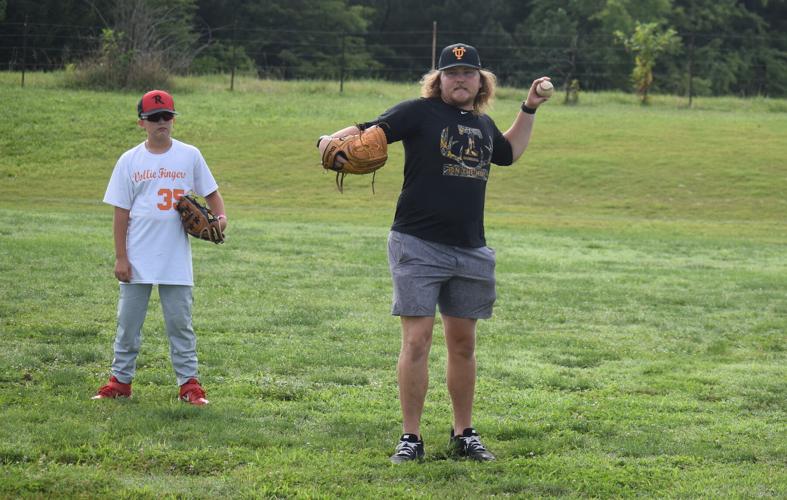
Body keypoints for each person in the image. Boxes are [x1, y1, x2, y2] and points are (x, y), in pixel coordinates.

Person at [317, 43, 550, 462]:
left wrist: (529, 108)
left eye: (468, 72)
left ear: (481, 81)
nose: (460, 79)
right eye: (451, 72)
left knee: (463, 344)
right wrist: (327, 140)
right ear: (438, 79)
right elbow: (368, 130)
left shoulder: (482, 122)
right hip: (417, 243)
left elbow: (508, 154)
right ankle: (411, 437)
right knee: (418, 340)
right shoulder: (418, 112)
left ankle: (464, 433)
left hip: (471, 247)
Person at [92, 90, 227, 406]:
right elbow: (121, 213)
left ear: (174, 119)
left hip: (175, 259)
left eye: (166, 116)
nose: (161, 123)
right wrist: (121, 257)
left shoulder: (189, 155)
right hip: (136, 257)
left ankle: (189, 385)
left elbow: (213, 195)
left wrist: (221, 220)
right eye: (153, 118)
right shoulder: (129, 160)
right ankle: (121, 381)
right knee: (128, 325)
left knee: (180, 325)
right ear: (142, 123)